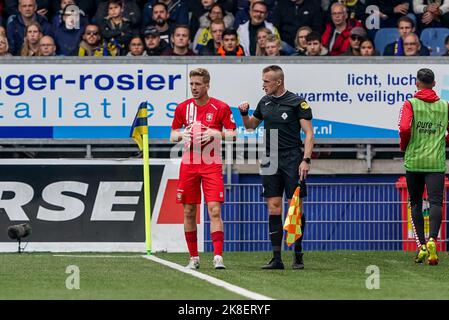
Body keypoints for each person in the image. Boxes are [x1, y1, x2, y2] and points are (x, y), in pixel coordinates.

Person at [238, 65, 314, 270]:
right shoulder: (265, 102)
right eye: (263, 81)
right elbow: (250, 126)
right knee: (273, 206)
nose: (263, 85)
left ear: (278, 82)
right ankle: (276, 258)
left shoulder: (298, 102)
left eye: (266, 81)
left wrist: (305, 159)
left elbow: (309, 134)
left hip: (292, 157)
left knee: (294, 206)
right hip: (270, 158)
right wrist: (244, 114)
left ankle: (298, 254)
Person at [170, 68, 237, 270]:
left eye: (198, 84)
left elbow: (233, 135)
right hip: (189, 165)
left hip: (211, 165)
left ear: (207, 85)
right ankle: (194, 258)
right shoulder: (183, 108)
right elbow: (172, 135)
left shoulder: (221, 107)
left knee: (214, 210)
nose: (194, 88)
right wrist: (183, 135)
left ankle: (218, 257)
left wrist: (214, 134)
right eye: (191, 84)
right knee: (189, 211)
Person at [398, 68, 449, 266]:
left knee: (416, 203)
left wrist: (404, 145)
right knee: (436, 203)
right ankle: (432, 240)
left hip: (414, 160)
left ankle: (420, 247)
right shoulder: (445, 106)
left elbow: (403, 128)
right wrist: (443, 140)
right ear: (434, 84)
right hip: (435, 162)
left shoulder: (410, 103)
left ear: (417, 83)